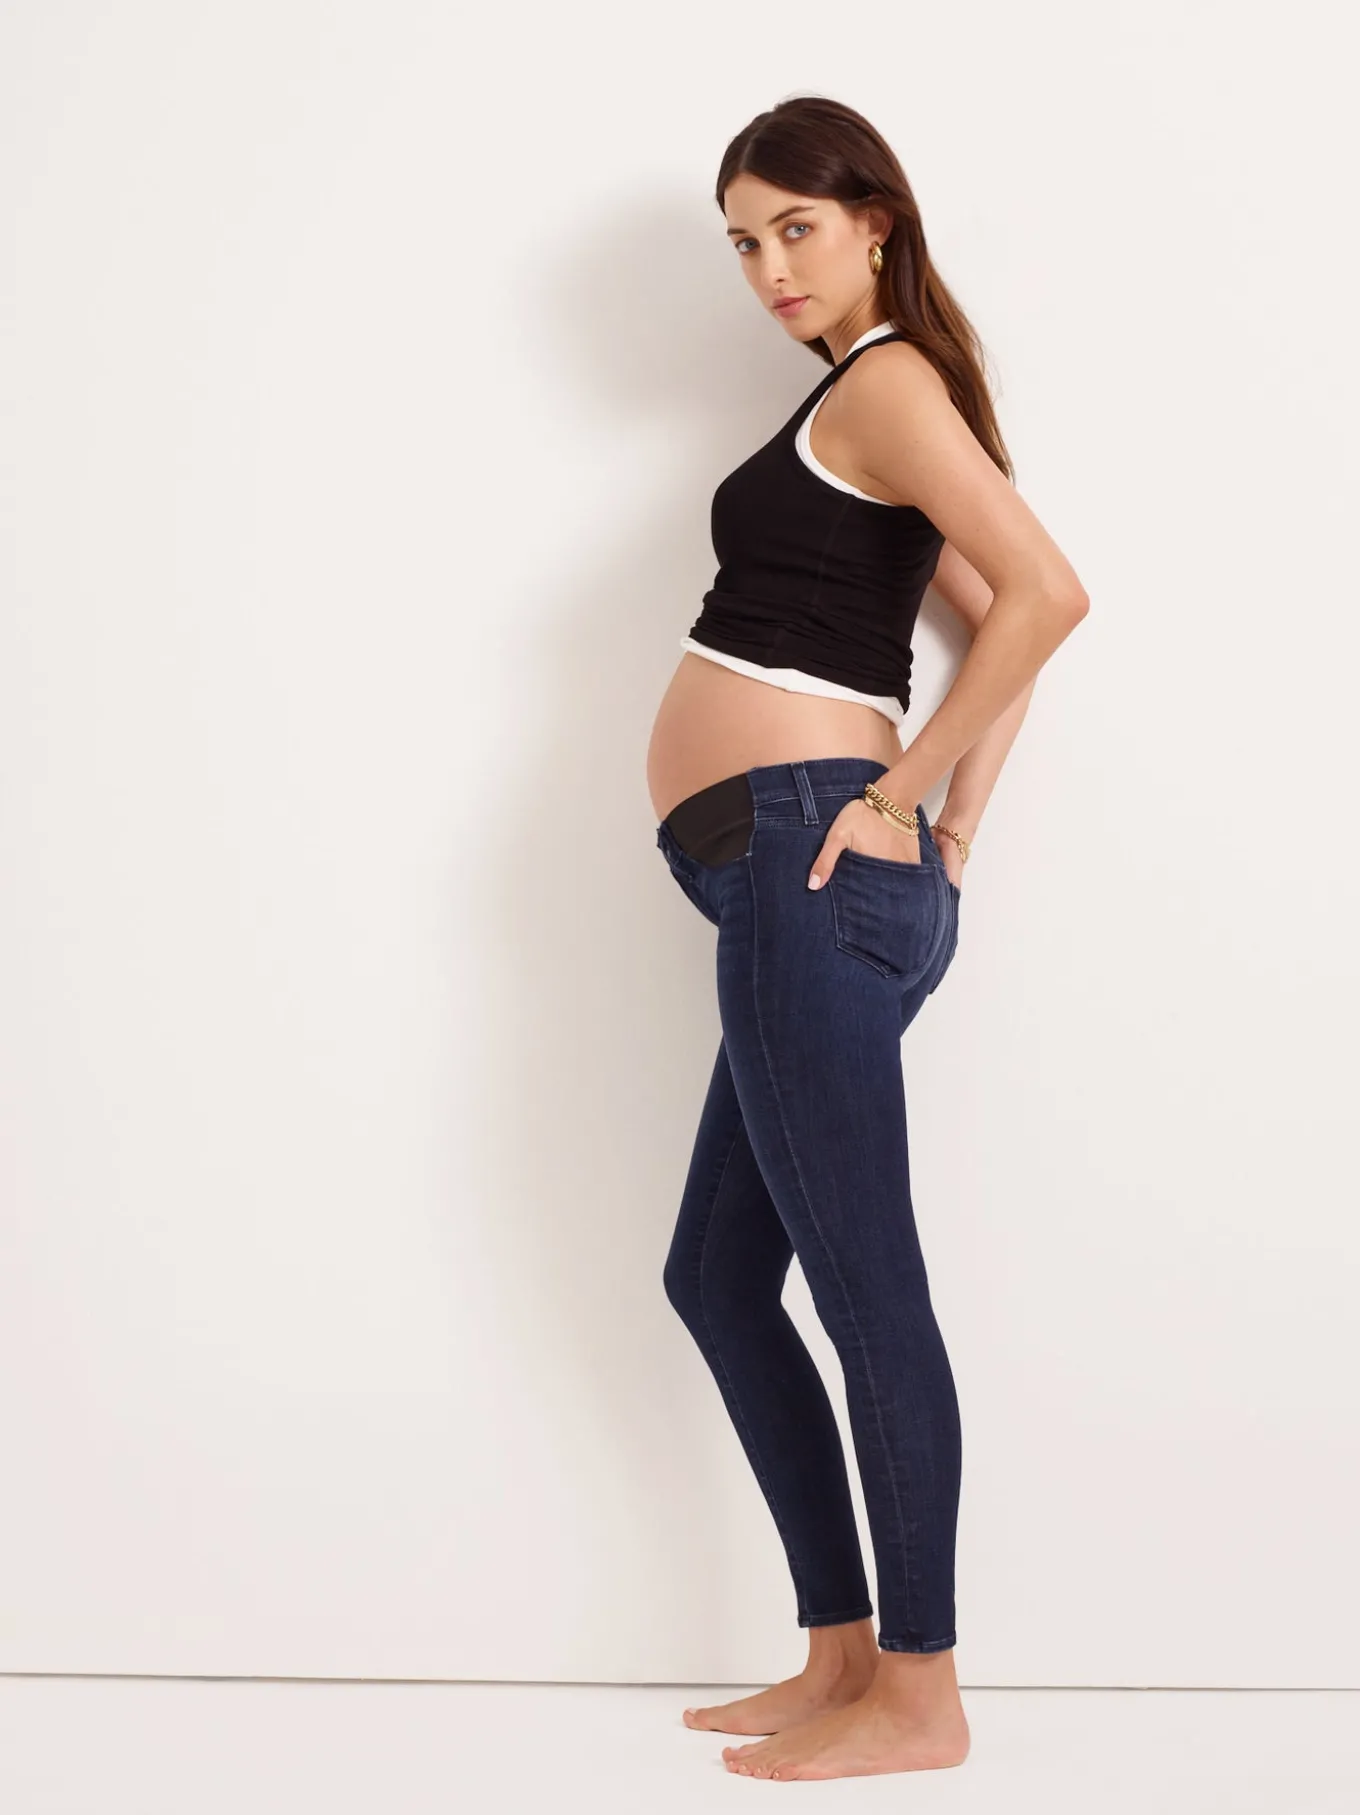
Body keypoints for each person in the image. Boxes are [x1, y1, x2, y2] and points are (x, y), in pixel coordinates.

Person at [646, 95, 1089, 1783]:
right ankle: (842, 1655)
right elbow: (995, 627)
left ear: (876, 222)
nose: (769, 266)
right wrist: (952, 831)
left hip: (811, 861)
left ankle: (920, 1692)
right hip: (798, 872)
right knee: (715, 1277)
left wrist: (911, 799)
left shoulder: (888, 382)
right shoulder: (859, 398)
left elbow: (1047, 594)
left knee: (863, 1282)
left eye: (797, 228)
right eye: (743, 242)